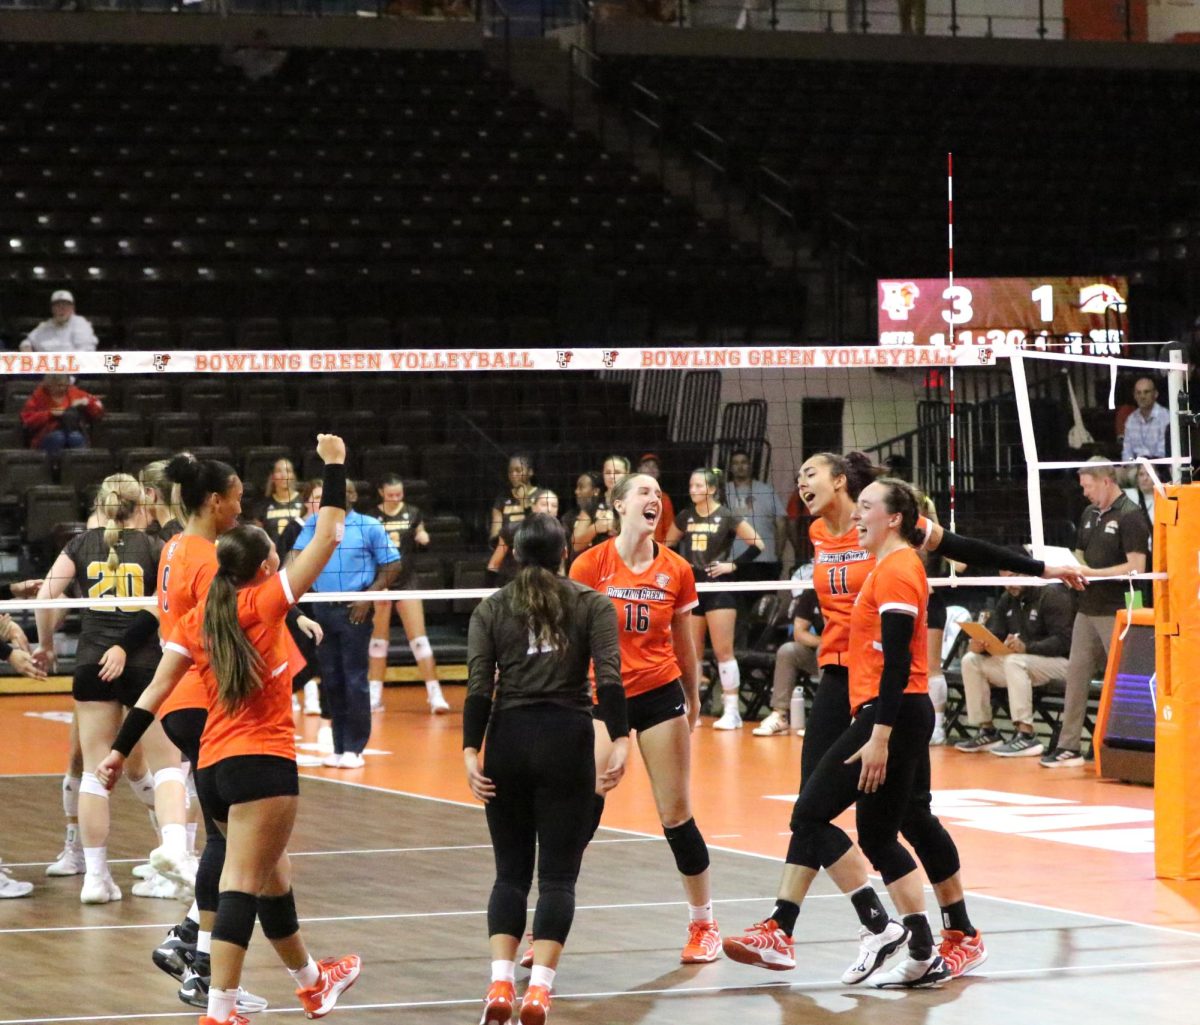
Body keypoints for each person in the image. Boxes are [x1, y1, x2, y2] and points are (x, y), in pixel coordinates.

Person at [722, 451, 1087, 980]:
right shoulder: (822, 537)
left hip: (893, 688)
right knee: (814, 804)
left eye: (811, 473)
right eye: (797, 474)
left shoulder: (890, 531)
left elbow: (963, 547)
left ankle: (955, 929)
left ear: (841, 481)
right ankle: (788, 925)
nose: (801, 482)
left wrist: (1040, 568)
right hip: (842, 679)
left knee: (908, 813)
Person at [98, 435, 360, 1025]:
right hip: (261, 760)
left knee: (265, 870)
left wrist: (117, 751)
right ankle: (218, 1004)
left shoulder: (196, 620)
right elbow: (327, 536)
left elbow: (155, 690)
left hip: (213, 765)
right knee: (242, 880)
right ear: (266, 566)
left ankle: (313, 981)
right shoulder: (265, 603)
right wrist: (336, 467)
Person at [467, 514, 630, 1025]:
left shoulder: (492, 607)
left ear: (515, 554)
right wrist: (622, 739)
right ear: (565, 553)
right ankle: (538, 992)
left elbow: (478, 687)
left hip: (508, 740)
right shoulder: (591, 603)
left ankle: (499, 982)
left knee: (509, 875)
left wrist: (471, 752)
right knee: (558, 876)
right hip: (567, 739)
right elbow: (610, 679)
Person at [571, 472, 723, 964]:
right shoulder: (590, 564)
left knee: (676, 815)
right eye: (644, 491)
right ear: (618, 505)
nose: (655, 498)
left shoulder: (677, 569)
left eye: (660, 492)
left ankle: (704, 925)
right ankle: (548, 924)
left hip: (659, 692)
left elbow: (685, 640)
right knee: (583, 811)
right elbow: (574, 640)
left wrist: (694, 695)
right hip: (602, 695)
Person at [32, 474, 189, 904]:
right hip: (146, 667)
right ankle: (177, 857)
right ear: (142, 506)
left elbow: (46, 598)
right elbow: (165, 607)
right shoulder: (157, 547)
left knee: (93, 774)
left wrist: (46, 646)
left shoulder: (80, 545)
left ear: (101, 505)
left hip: (91, 663)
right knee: (168, 767)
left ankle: (95, 879)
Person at [1040, 458, 1150, 768]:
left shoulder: (1131, 516)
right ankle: (1068, 745)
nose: (1085, 493)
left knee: (1121, 680)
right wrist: (1067, 565)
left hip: (1119, 610)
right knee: (1076, 676)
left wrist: (1091, 571)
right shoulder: (1089, 514)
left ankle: (1119, 743)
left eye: (1088, 486)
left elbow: (1136, 567)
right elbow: (1080, 555)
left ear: (1105, 481)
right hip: (1087, 608)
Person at [289, 479, 401, 769]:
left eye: (351, 491)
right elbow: (296, 559)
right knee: (331, 679)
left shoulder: (368, 525)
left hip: (354, 609)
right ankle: (339, 746)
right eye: (342, 490)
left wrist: (368, 598)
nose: (346, 494)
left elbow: (393, 564)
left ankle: (355, 747)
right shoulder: (314, 524)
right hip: (321, 609)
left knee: (354, 678)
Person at [665, 468, 764, 730]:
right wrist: (680, 566)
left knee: (723, 651)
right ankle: (693, 708)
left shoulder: (727, 515)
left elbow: (758, 544)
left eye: (698, 486)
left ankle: (732, 710)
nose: (693, 490)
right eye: (691, 485)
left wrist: (732, 565)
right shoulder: (686, 516)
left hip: (720, 588)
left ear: (711, 489)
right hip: (694, 588)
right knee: (692, 653)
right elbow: (666, 544)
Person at [954, 566, 1075, 758]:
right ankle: (987, 731)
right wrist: (982, 645)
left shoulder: (1051, 594)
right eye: (1004, 580)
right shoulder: (1007, 599)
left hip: (1064, 664)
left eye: (1013, 577)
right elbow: (997, 633)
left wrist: (1027, 647)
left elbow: (1065, 640)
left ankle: (1026, 735)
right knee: (971, 661)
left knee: (1014, 661)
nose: (1009, 584)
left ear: (1028, 572)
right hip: (1024, 664)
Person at [368, 475, 449, 715]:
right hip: (381, 582)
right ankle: (374, 696)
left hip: (407, 583)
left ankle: (435, 695)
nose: (395, 498)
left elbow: (422, 536)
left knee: (420, 641)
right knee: (378, 643)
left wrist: (423, 538)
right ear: (381, 492)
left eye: (399, 494)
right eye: (391, 494)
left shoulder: (413, 513)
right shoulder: (372, 517)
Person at [753, 582, 821, 737]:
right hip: (824, 650)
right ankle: (780, 715)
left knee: (823, 651)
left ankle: (823, 719)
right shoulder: (811, 593)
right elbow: (799, 633)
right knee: (787, 651)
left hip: (851, 654)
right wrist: (825, 642)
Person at [725, 449, 788, 583]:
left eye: (744, 462)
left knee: (764, 601)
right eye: (735, 463)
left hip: (764, 560)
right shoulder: (722, 492)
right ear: (730, 468)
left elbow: (781, 522)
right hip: (732, 560)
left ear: (750, 466)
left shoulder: (767, 490)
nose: (740, 466)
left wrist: (778, 554)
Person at [20, 373, 103, 456]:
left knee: (76, 437)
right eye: (58, 386)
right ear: (48, 385)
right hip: (45, 434)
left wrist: (86, 403)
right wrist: (50, 414)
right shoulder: (38, 396)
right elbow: (28, 420)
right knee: (58, 437)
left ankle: (80, 466)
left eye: (64, 385)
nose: (62, 389)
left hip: (72, 430)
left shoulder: (73, 392)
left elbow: (98, 408)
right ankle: (51, 467)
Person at [489, 489, 561, 584]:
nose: (549, 509)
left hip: (546, 585)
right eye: (544, 504)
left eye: (554, 506)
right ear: (533, 507)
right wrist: (485, 592)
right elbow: (494, 564)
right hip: (512, 584)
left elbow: (561, 569)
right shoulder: (511, 530)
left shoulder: (560, 533)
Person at [18, 290, 99, 352]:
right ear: (52, 309)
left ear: (72, 308)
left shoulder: (81, 324)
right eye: (58, 306)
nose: (62, 309)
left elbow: (86, 351)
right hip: (46, 369)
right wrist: (26, 347)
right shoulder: (45, 326)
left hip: (73, 369)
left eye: (65, 305)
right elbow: (27, 341)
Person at [1120, 375, 1171, 471]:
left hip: (1158, 469)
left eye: (1146, 392)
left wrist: (1145, 468)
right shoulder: (1131, 420)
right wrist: (1131, 466)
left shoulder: (1165, 417)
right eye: (1138, 393)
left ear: (1155, 394)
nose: (1142, 396)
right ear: (1134, 396)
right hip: (1135, 469)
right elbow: (1127, 452)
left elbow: (1162, 453)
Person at [489, 453, 535, 546]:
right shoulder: (501, 500)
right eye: (510, 471)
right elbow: (495, 534)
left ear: (530, 472)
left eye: (518, 470)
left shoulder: (542, 496)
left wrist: (524, 501)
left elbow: (543, 530)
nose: (513, 474)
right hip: (507, 549)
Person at [138, 459, 187, 541]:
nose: (138, 499)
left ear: (150, 494)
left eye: (140, 492)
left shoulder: (162, 541)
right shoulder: (189, 528)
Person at [263, 459, 304, 554]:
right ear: (272, 477)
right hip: (272, 557)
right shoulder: (264, 504)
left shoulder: (303, 502)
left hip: (299, 555)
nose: (283, 475)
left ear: (293, 476)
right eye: (278, 471)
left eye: (288, 471)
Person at [562, 471, 603, 565]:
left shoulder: (606, 511)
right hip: (576, 570)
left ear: (595, 491)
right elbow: (573, 546)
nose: (576, 491)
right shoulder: (568, 517)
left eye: (581, 487)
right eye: (577, 487)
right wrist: (595, 527)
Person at [635, 453, 675, 544]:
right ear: (639, 470)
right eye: (646, 466)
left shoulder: (664, 498)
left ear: (658, 472)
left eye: (654, 466)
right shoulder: (630, 495)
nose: (651, 469)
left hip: (656, 551)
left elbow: (669, 530)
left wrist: (662, 551)